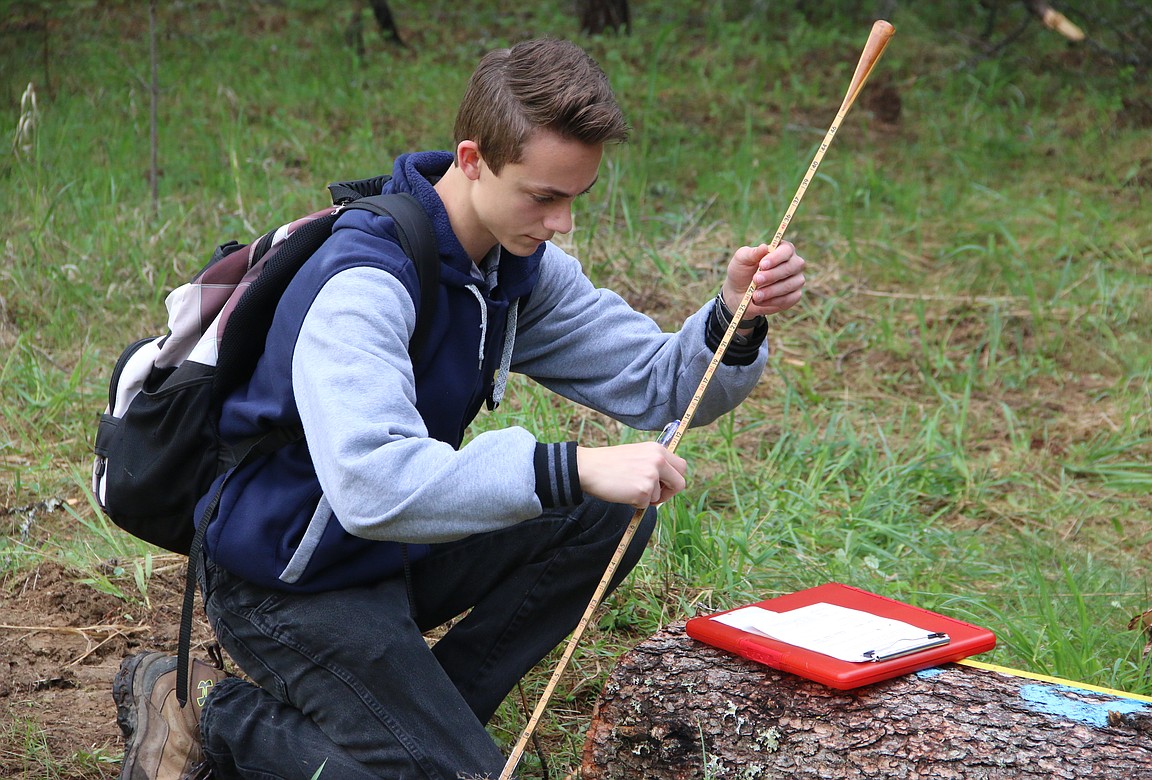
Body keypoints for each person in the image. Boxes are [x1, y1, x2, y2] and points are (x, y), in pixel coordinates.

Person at [112, 37, 806, 780]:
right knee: (455, 769)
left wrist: (735, 317)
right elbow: (373, 485)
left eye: (575, 197)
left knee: (603, 517)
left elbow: (658, 384)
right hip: (284, 583)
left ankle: (432, 725)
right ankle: (204, 711)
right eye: (544, 196)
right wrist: (567, 465)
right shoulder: (365, 283)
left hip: (383, 556)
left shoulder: (513, 266)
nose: (562, 222)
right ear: (471, 159)